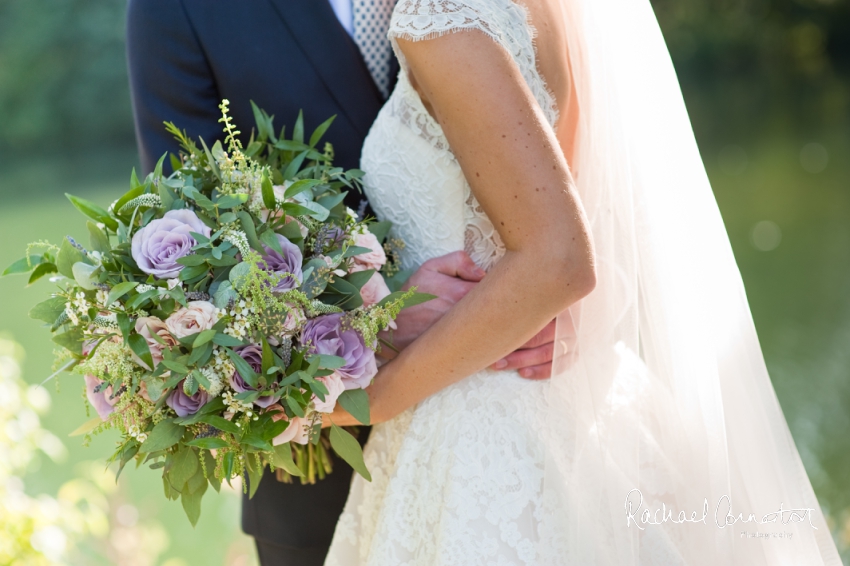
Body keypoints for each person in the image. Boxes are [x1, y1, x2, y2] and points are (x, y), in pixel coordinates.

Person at [320, 0, 842, 564]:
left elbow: (558, 260)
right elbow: (589, 203)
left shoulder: (443, 13)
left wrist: (363, 403)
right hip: (580, 394)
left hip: (482, 435)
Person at [125, 1, 558, 564]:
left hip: (517, 419)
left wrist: (556, 298)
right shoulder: (178, 10)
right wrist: (375, 315)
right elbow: (194, 252)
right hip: (320, 468)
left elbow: (584, 188)